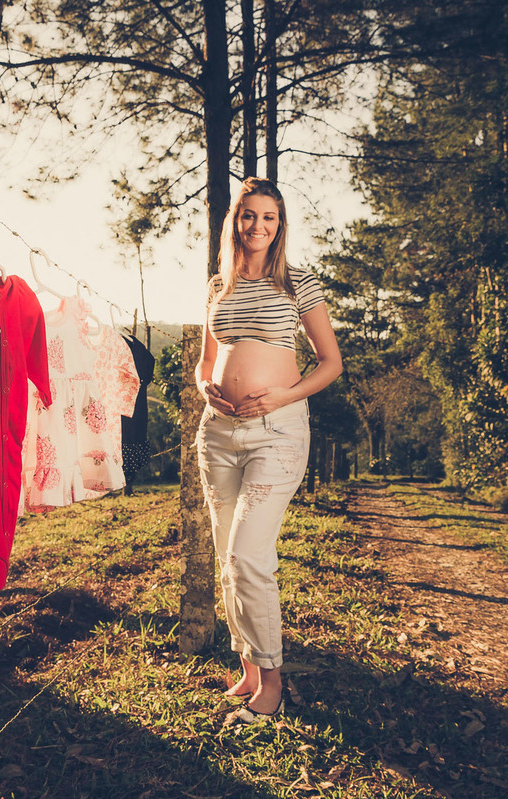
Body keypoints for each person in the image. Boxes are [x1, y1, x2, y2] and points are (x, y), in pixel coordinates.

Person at [194, 176, 342, 722]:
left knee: (247, 555)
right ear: (235, 221)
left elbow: (330, 363)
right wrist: (202, 383)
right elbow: (205, 361)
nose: (258, 226)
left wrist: (282, 394)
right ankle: (249, 667)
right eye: (249, 216)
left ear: (280, 226)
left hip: (277, 433)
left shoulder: (297, 283)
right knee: (225, 557)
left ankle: (273, 678)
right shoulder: (218, 286)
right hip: (218, 432)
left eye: (269, 218)